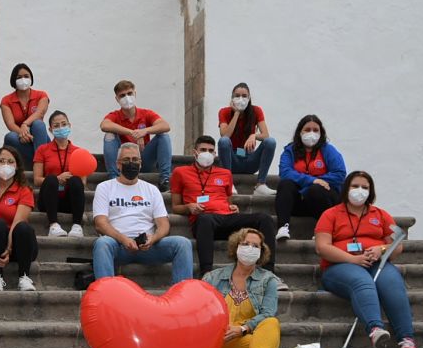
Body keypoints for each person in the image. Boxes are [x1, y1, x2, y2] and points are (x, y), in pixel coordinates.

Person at [315, 171, 417, 348]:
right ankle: (375, 329)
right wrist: (353, 259)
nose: (359, 190)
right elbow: (322, 247)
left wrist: (381, 250)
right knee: (362, 281)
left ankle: (406, 339)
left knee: (393, 284)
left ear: (371, 192)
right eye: (355, 186)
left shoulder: (381, 215)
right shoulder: (330, 214)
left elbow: (397, 245)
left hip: (376, 264)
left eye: (365, 187)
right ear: (346, 189)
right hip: (339, 266)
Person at [171, 135, 282, 284]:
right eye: (203, 150)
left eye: (211, 150)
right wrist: (189, 207)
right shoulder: (180, 172)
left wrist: (232, 207)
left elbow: (228, 201)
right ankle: (207, 273)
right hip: (205, 222)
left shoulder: (225, 173)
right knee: (205, 218)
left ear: (215, 154)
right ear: (195, 152)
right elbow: (176, 207)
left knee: (265, 218)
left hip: (227, 218)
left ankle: (269, 274)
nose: (207, 153)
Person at [93, 142, 192, 285]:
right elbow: (100, 224)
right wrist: (124, 239)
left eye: (135, 160)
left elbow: (164, 224)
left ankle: (183, 295)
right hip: (118, 245)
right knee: (102, 243)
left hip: (148, 247)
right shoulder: (104, 188)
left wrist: (153, 238)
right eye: (126, 160)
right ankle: (106, 294)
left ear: (140, 164)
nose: (131, 163)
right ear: (118, 164)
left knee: (182, 243)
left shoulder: (151, 190)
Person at [275, 115, 345, 242]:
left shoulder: (328, 150)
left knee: (315, 189)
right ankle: (283, 227)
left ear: (321, 132)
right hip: (300, 201)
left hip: (323, 199)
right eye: (307, 130)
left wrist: (317, 183)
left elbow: (339, 173)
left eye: (315, 130)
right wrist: (312, 180)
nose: (311, 133)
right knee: (285, 184)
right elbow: (285, 172)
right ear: (300, 132)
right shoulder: (290, 150)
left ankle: (323, 230)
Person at [100, 80, 173, 192]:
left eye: (129, 93)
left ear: (135, 93)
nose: (127, 97)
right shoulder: (115, 115)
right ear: (117, 99)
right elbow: (104, 125)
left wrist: (144, 131)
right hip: (123, 162)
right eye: (122, 95)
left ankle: (165, 179)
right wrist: (132, 132)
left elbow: (165, 126)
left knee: (163, 135)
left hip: (142, 159)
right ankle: (114, 177)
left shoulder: (146, 113)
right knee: (109, 135)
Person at [0, 147, 38, 291]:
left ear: (17, 166)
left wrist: (9, 249)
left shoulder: (24, 191)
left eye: (10, 161)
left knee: (23, 228)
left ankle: (24, 277)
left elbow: (17, 222)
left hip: (20, 246)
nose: (5, 165)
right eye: (1, 161)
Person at [216, 83, 277, 195]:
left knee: (270, 142)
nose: (241, 99)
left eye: (244, 96)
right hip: (232, 158)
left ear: (249, 98)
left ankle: (261, 184)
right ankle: (228, 183)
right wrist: (236, 113)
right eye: (237, 95)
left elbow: (266, 135)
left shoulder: (256, 111)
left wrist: (254, 135)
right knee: (223, 141)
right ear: (232, 98)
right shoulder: (224, 112)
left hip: (249, 158)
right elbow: (225, 135)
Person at [33, 110, 87, 238]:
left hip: (69, 200)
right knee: (51, 179)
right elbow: (36, 180)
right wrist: (58, 179)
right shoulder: (42, 150)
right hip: (49, 199)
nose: (60, 128)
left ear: (69, 126)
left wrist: (68, 179)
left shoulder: (79, 152)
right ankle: (53, 225)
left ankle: (77, 226)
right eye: (56, 126)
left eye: (64, 124)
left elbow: (83, 182)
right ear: (50, 130)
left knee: (76, 180)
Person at [0, 63, 50, 168]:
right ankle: (40, 163)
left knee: (38, 124)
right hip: (20, 138)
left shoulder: (41, 95)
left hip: (39, 137)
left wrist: (25, 124)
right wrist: (22, 133)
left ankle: (39, 163)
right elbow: (10, 124)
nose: (23, 79)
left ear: (31, 78)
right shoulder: (6, 100)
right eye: (19, 77)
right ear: (14, 80)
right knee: (10, 137)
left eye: (26, 76)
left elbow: (40, 113)